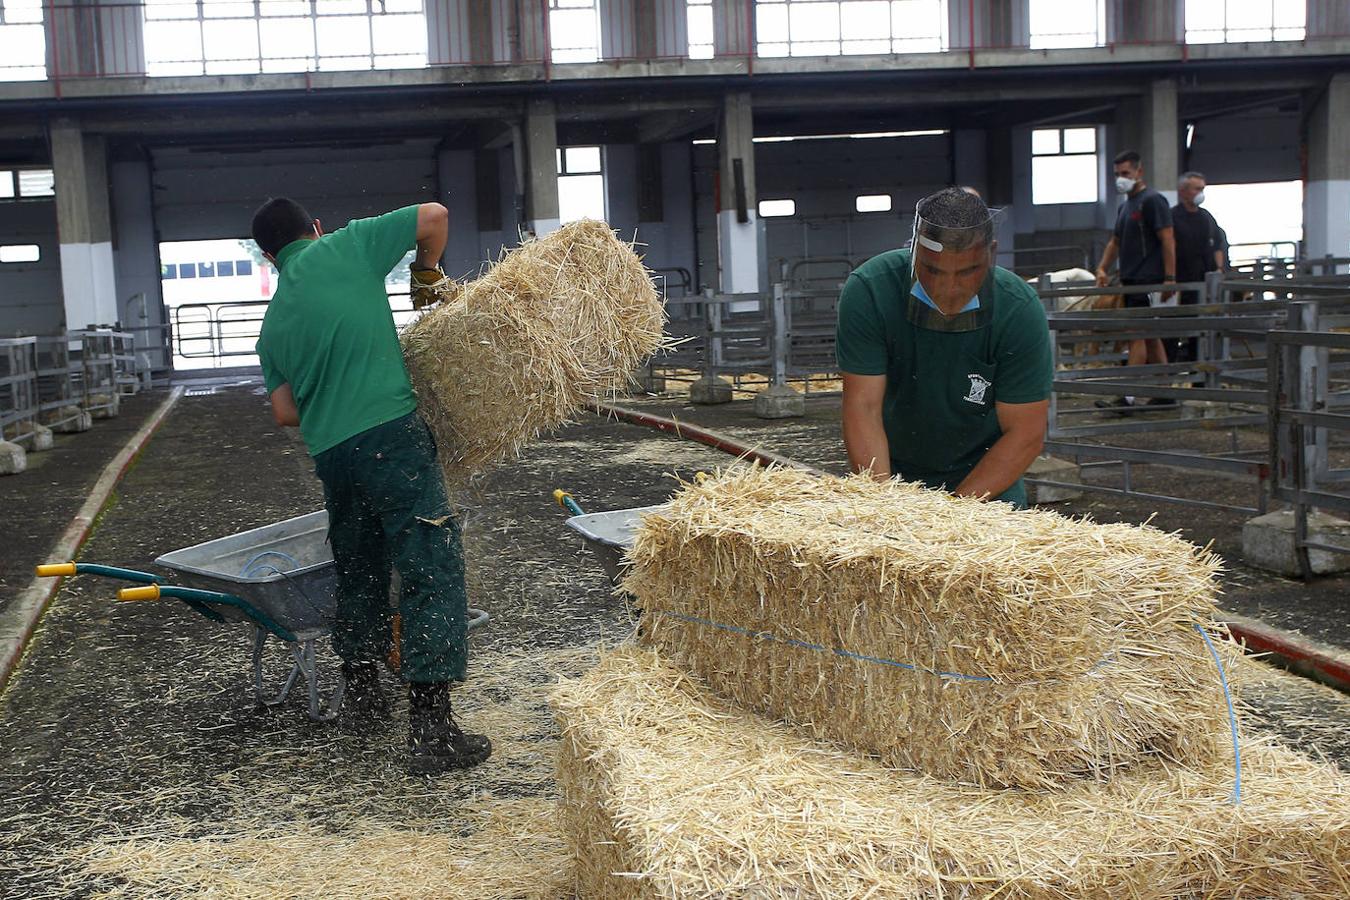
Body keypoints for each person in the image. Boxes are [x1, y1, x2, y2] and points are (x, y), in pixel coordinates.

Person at [252, 197, 491, 774]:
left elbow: (285, 412)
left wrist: (333, 399)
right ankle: (432, 730)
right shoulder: (348, 245)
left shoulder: (273, 323)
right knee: (431, 564)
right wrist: (427, 273)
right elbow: (434, 216)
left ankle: (363, 696)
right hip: (391, 434)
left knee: (359, 568)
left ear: (268, 255)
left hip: (333, 455)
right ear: (315, 228)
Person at [836, 187, 1052, 508]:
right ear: (913, 252)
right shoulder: (871, 290)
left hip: (987, 488)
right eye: (932, 270)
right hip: (891, 476)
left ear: (990, 253)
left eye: (967, 272)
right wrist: (883, 506)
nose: (948, 288)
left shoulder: (1017, 309)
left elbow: (1025, 432)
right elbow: (863, 407)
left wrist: (952, 515)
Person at [1093, 150, 1177, 413]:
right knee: (1149, 337)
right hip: (1131, 279)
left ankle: (1126, 396)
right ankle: (1165, 392)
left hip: (1148, 279)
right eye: (1117, 174)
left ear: (1139, 172)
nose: (1121, 179)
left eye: (1126, 173)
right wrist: (1103, 267)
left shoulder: (1153, 201)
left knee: (1137, 336)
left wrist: (1169, 278)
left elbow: (1167, 239)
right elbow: (1115, 241)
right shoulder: (1125, 206)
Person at [1171, 171, 1226, 360]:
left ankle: (1200, 377)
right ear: (1183, 191)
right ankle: (1169, 373)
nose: (1201, 193)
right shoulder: (1173, 217)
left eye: (1202, 189)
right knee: (1173, 329)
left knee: (1203, 330)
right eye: (1197, 189)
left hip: (1205, 284)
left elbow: (1218, 244)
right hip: (1180, 284)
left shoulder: (1207, 217)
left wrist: (1218, 270)